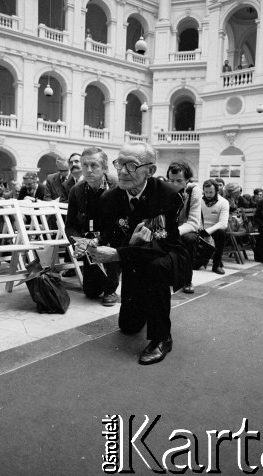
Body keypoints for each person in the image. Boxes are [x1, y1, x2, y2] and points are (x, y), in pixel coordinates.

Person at [83, 142, 190, 365]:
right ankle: (143, 308)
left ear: (150, 171)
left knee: (155, 267)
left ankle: (162, 338)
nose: (122, 171)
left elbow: (158, 244)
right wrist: (94, 242)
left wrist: (118, 252)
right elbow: (110, 236)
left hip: (166, 254)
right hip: (133, 256)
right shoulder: (110, 198)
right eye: (120, 163)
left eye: (131, 165)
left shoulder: (168, 195)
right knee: (128, 326)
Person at [65, 147, 120, 306]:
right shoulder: (77, 191)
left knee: (107, 287)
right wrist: (78, 242)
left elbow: (124, 223)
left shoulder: (117, 186)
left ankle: (112, 285)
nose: (88, 170)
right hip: (90, 241)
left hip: (114, 239)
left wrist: (100, 239)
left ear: (104, 168)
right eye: (85, 165)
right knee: (91, 292)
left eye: (94, 165)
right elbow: (70, 225)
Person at [166, 161, 201, 294]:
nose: (174, 184)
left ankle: (187, 280)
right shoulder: (167, 190)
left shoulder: (194, 191)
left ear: (187, 179)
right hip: (171, 228)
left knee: (189, 239)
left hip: (187, 229)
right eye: (171, 180)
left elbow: (193, 223)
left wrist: (174, 232)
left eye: (179, 180)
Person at [200, 179, 229, 274]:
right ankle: (201, 258)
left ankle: (216, 265)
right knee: (195, 266)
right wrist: (200, 229)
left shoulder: (223, 202)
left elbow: (223, 223)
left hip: (215, 229)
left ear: (216, 191)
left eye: (211, 192)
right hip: (200, 228)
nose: (208, 195)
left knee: (221, 232)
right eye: (206, 192)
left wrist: (208, 231)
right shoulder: (198, 200)